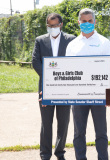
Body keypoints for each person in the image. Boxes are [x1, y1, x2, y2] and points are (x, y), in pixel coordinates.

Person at [65, 8, 110, 160]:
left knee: (101, 132)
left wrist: (109, 92)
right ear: (78, 22)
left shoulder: (104, 42)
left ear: (94, 21)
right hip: (78, 96)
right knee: (78, 132)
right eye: (84, 21)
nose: (87, 23)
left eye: (90, 21)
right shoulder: (72, 45)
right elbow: (67, 70)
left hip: (99, 96)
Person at [32, 13, 76, 160]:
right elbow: (35, 62)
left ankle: (60, 152)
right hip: (46, 88)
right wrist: (50, 79)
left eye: (55, 25)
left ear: (61, 24)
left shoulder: (71, 40)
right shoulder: (40, 40)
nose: (52, 28)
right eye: (49, 26)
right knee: (46, 122)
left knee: (63, 122)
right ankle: (45, 154)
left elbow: (75, 62)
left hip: (65, 89)